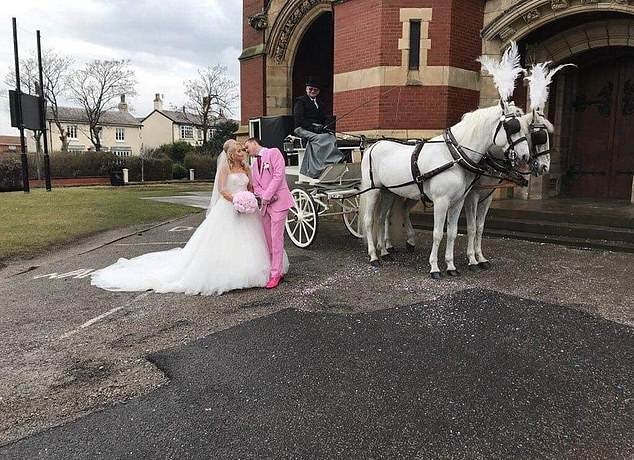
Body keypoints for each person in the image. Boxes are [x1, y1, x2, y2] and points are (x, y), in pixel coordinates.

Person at [91, 139, 280, 296]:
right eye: (239, 151)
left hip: (247, 210)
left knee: (254, 239)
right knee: (225, 241)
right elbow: (222, 189)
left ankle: (259, 271)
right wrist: (236, 199)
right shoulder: (225, 169)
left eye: (242, 150)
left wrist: (249, 200)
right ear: (231, 154)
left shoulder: (247, 168)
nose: (243, 152)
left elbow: (250, 188)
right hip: (229, 207)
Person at [244, 137, 294, 289]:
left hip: (279, 202)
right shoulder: (253, 164)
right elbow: (256, 184)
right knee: (268, 240)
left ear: (254, 143)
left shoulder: (273, 153)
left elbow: (279, 175)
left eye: (247, 147)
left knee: (276, 238)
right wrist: (264, 196)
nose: (246, 151)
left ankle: (275, 274)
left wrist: (267, 195)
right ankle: (274, 268)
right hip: (266, 206)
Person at [293, 76, 345, 178]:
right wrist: (313, 128)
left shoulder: (320, 103)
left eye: (315, 90)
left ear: (318, 91)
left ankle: (333, 160)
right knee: (319, 138)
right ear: (306, 89)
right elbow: (299, 119)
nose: (312, 91)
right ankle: (320, 165)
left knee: (330, 136)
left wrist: (325, 126)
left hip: (317, 128)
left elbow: (325, 117)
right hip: (301, 128)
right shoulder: (300, 101)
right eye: (310, 89)